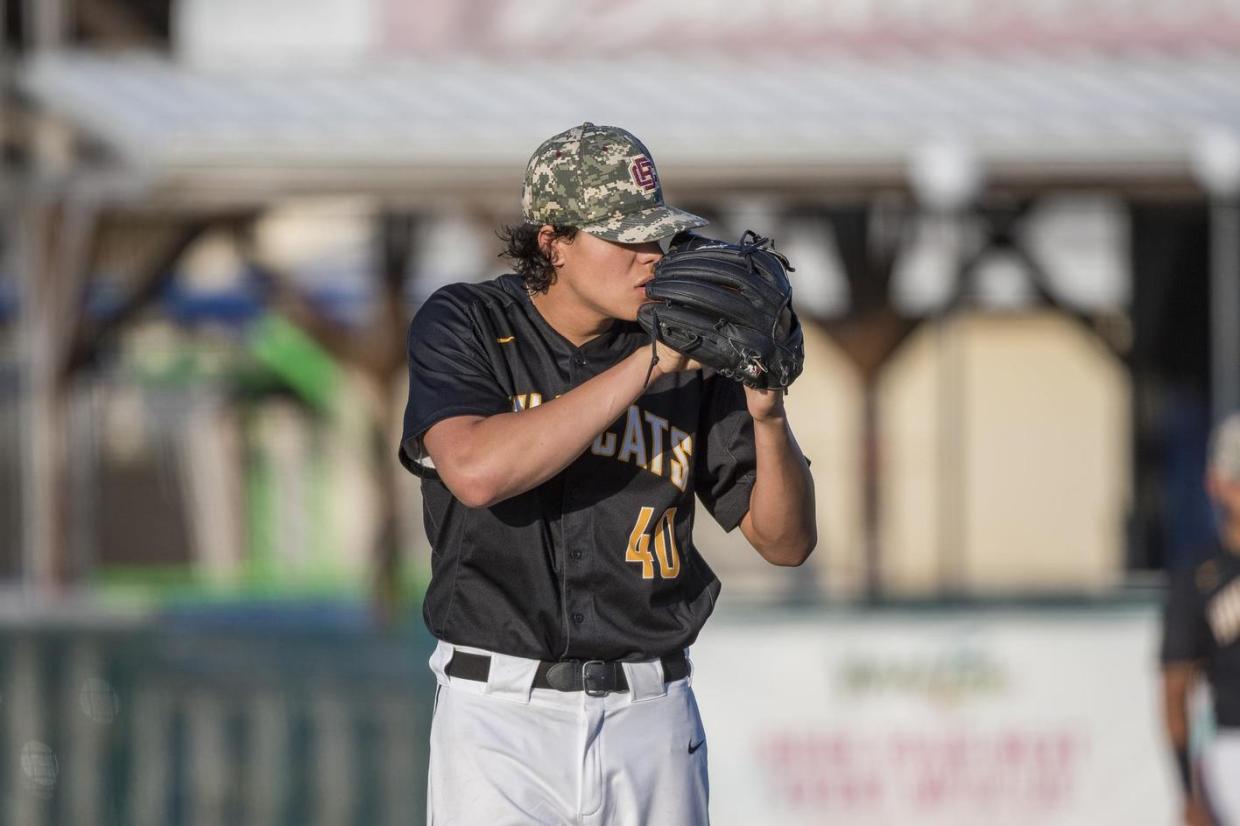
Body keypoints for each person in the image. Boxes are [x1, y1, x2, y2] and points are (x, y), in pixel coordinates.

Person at [398, 121, 816, 825]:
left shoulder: (691, 346)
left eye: (657, 235)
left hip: (649, 715)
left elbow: (785, 543)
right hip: (500, 717)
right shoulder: (466, 321)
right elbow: (474, 471)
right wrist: (649, 364)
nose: (650, 256)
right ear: (552, 243)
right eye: (624, 237)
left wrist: (770, 419)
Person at [1162, 412, 1240, 826]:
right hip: (1232, 747)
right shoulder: (1199, 575)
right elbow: (1175, 688)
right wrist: (1188, 793)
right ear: (1216, 483)